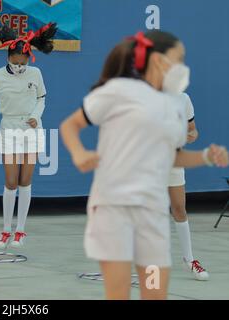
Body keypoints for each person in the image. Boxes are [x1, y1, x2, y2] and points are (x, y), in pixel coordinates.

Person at [60, 30, 228, 300]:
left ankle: (190, 259)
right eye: (177, 59)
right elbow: (70, 125)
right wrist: (79, 154)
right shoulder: (117, 92)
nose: (181, 66)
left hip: (151, 217)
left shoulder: (179, 101)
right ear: (156, 60)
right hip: (116, 208)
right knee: (118, 293)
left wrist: (205, 156)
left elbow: (177, 149)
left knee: (154, 292)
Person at [0, 23, 57, 249]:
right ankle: (6, 230)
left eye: (23, 61)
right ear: (8, 57)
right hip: (9, 127)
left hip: (31, 129)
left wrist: (36, 115)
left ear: (29, 59)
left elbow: (42, 98)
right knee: (11, 181)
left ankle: (20, 231)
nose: (19, 65)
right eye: (15, 61)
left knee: (26, 180)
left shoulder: (36, 73)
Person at [169, 93, 209, 281]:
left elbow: (193, 131)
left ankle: (190, 260)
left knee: (179, 209)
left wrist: (185, 136)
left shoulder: (183, 99)